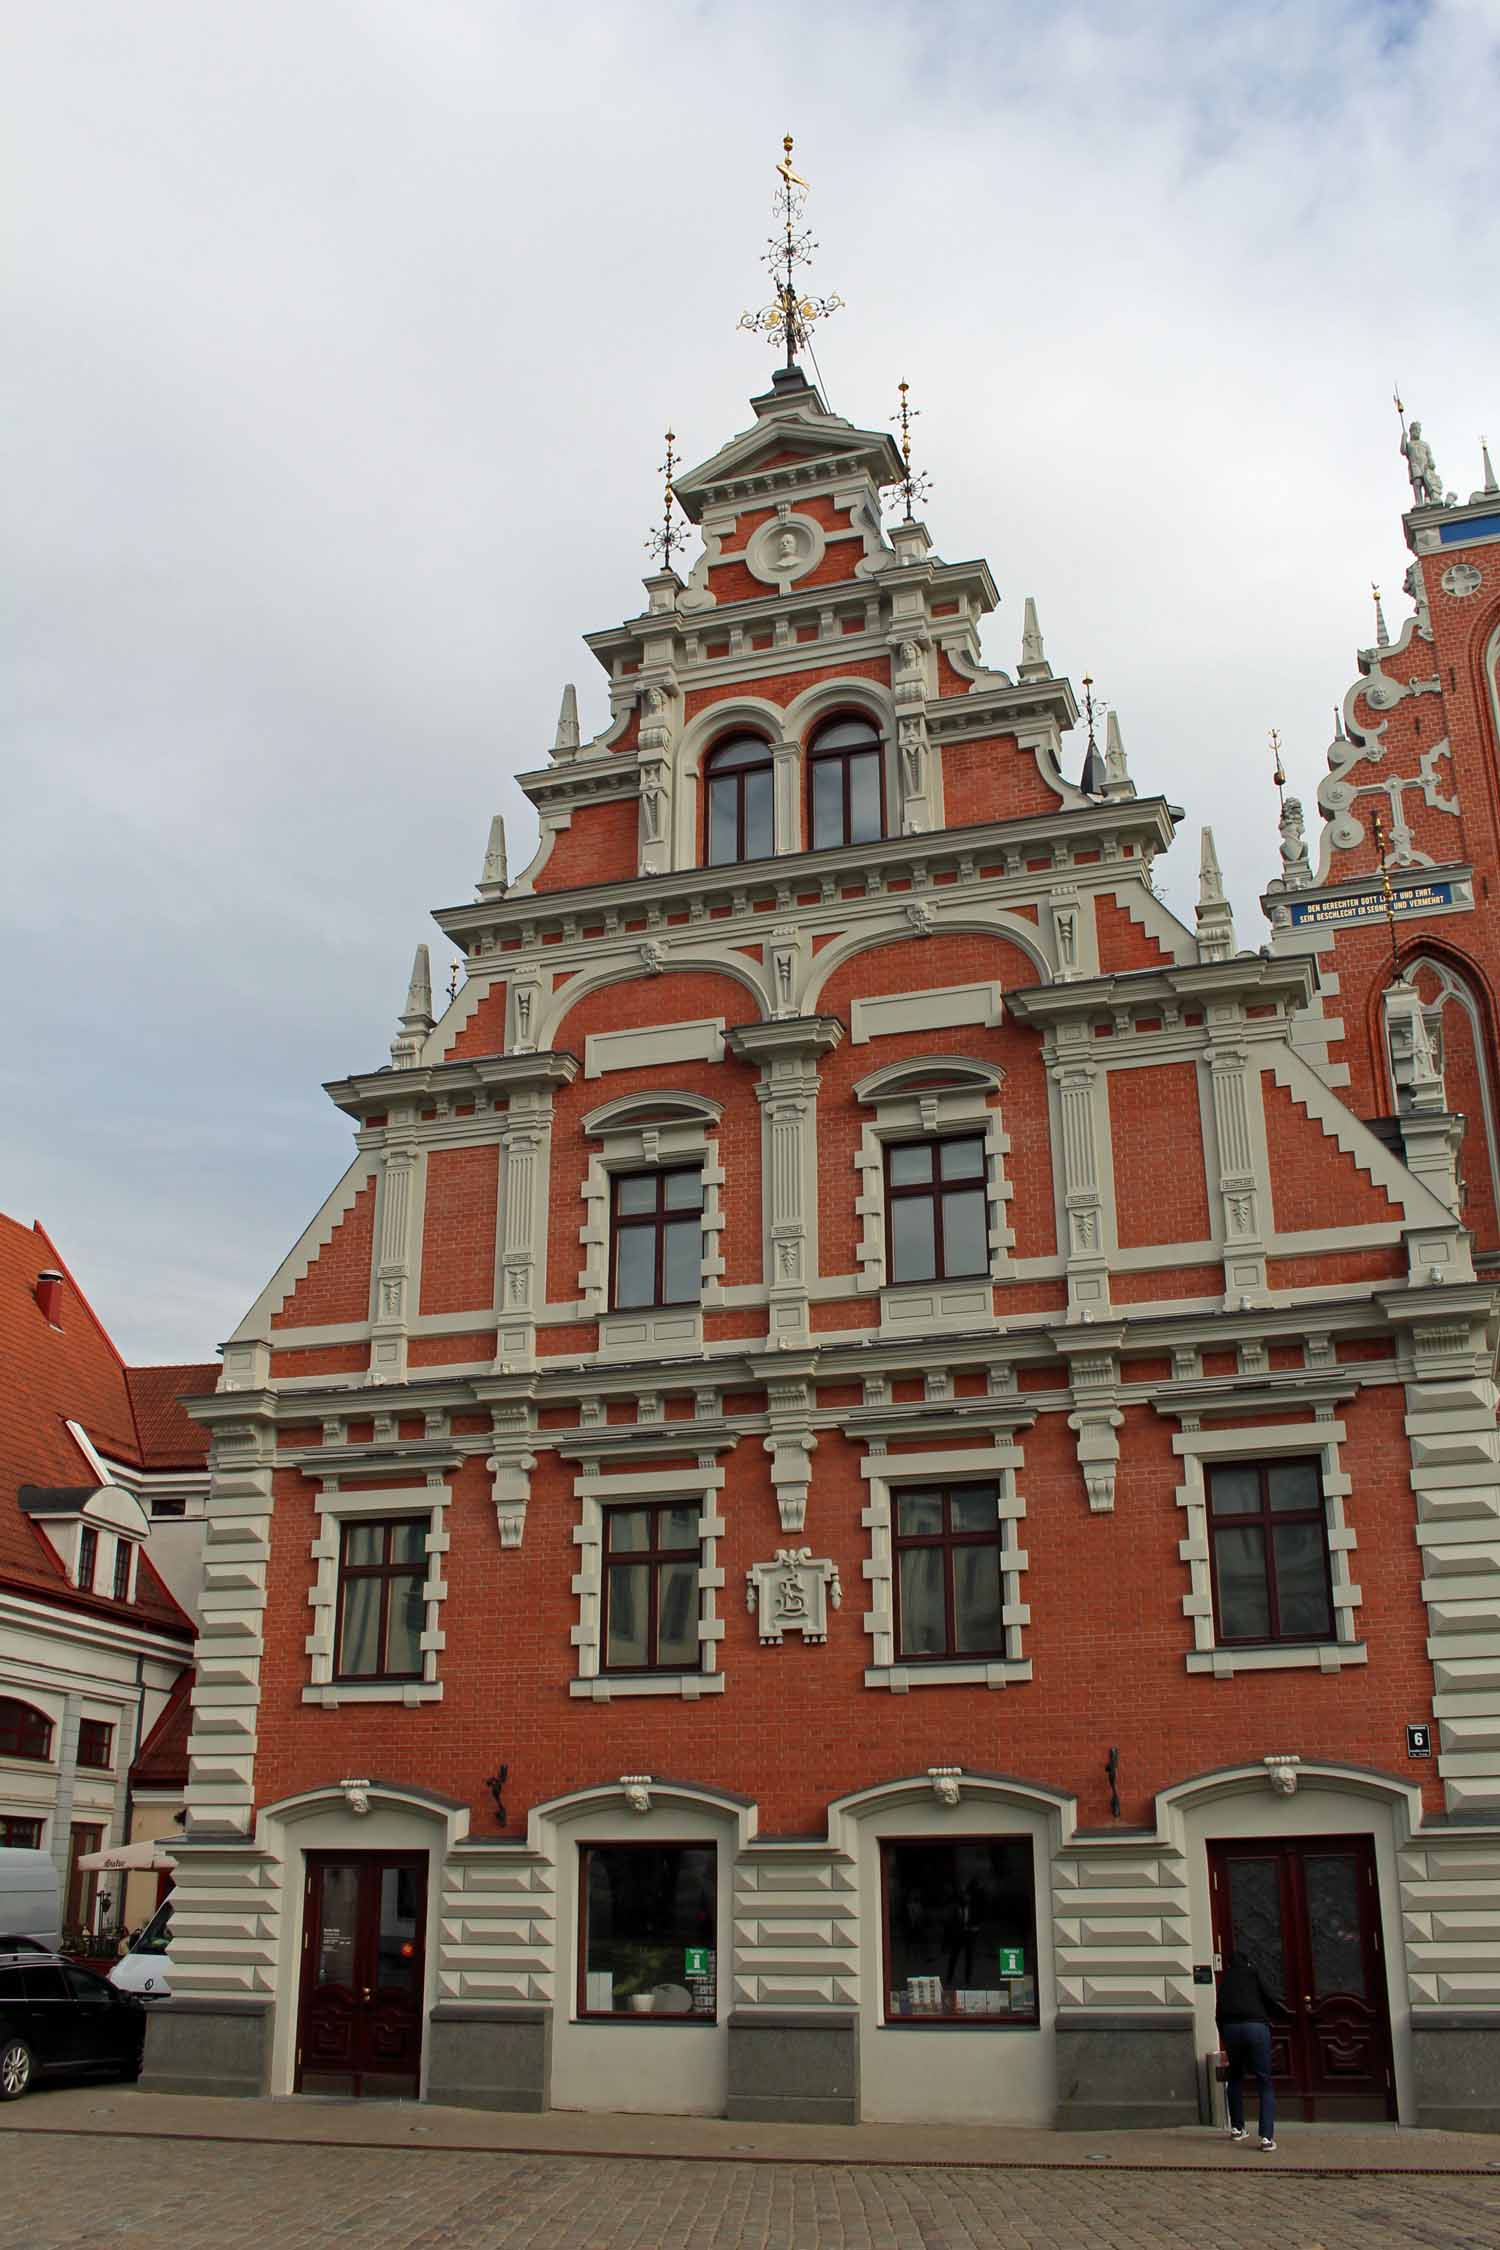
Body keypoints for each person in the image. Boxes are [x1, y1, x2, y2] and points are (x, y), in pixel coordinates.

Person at [1215, 1946, 1284, 2150]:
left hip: (1231, 2030)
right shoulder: (1253, 1974)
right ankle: (1266, 2138)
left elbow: (1219, 2011)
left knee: (1234, 2077)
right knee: (1264, 2081)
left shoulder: (1225, 1980)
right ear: (1247, 1962)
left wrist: (1224, 2035)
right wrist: (1278, 2016)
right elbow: (1269, 1996)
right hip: (1255, 2027)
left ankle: (1237, 2128)